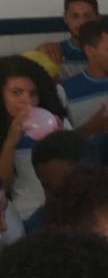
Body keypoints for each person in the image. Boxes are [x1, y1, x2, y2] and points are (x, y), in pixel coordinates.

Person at [0, 56, 68, 222]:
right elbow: (3, 186)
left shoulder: (55, 121)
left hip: (65, 208)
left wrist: (63, 142)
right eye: (16, 93)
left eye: (33, 93)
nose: (28, 101)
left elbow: (80, 175)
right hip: (24, 215)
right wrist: (10, 142)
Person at [37, 0, 99, 80]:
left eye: (87, 16)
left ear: (97, 18)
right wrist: (38, 55)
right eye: (75, 16)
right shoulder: (53, 52)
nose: (82, 22)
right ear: (65, 18)